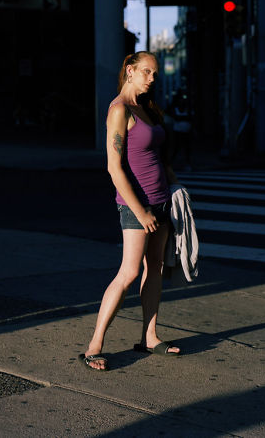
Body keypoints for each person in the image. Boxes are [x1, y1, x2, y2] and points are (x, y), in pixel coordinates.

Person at [80, 51, 181, 371]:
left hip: (162, 200)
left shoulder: (146, 108)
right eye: (147, 72)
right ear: (130, 72)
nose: (153, 78)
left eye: (155, 73)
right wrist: (140, 211)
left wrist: (172, 181)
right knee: (129, 272)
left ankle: (149, 337)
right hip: (137, 205)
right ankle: (93, 345)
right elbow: (114, 167)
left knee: (155, 269)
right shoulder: (119, 110)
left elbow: (154, 154)